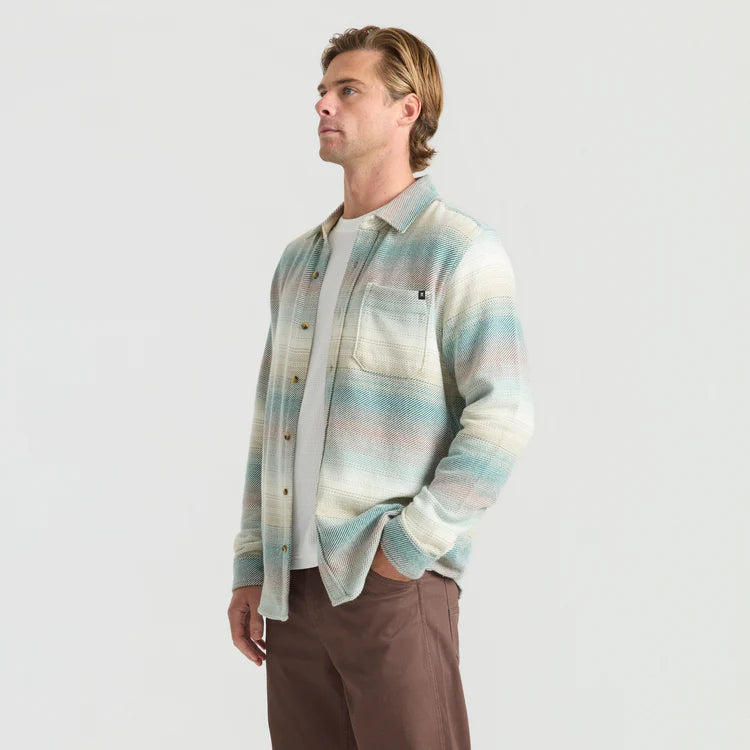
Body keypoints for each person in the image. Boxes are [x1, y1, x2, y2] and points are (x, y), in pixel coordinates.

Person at [227, 25, 535, 750]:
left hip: (389, 583)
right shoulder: (298, 261)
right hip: (291, 592)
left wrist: (407, 550)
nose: (323, 105)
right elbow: (271, 424)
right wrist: (251, 565)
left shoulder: (459, 249)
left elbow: (503, 415)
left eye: (348, 90)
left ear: (408, 108)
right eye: (322, 91)